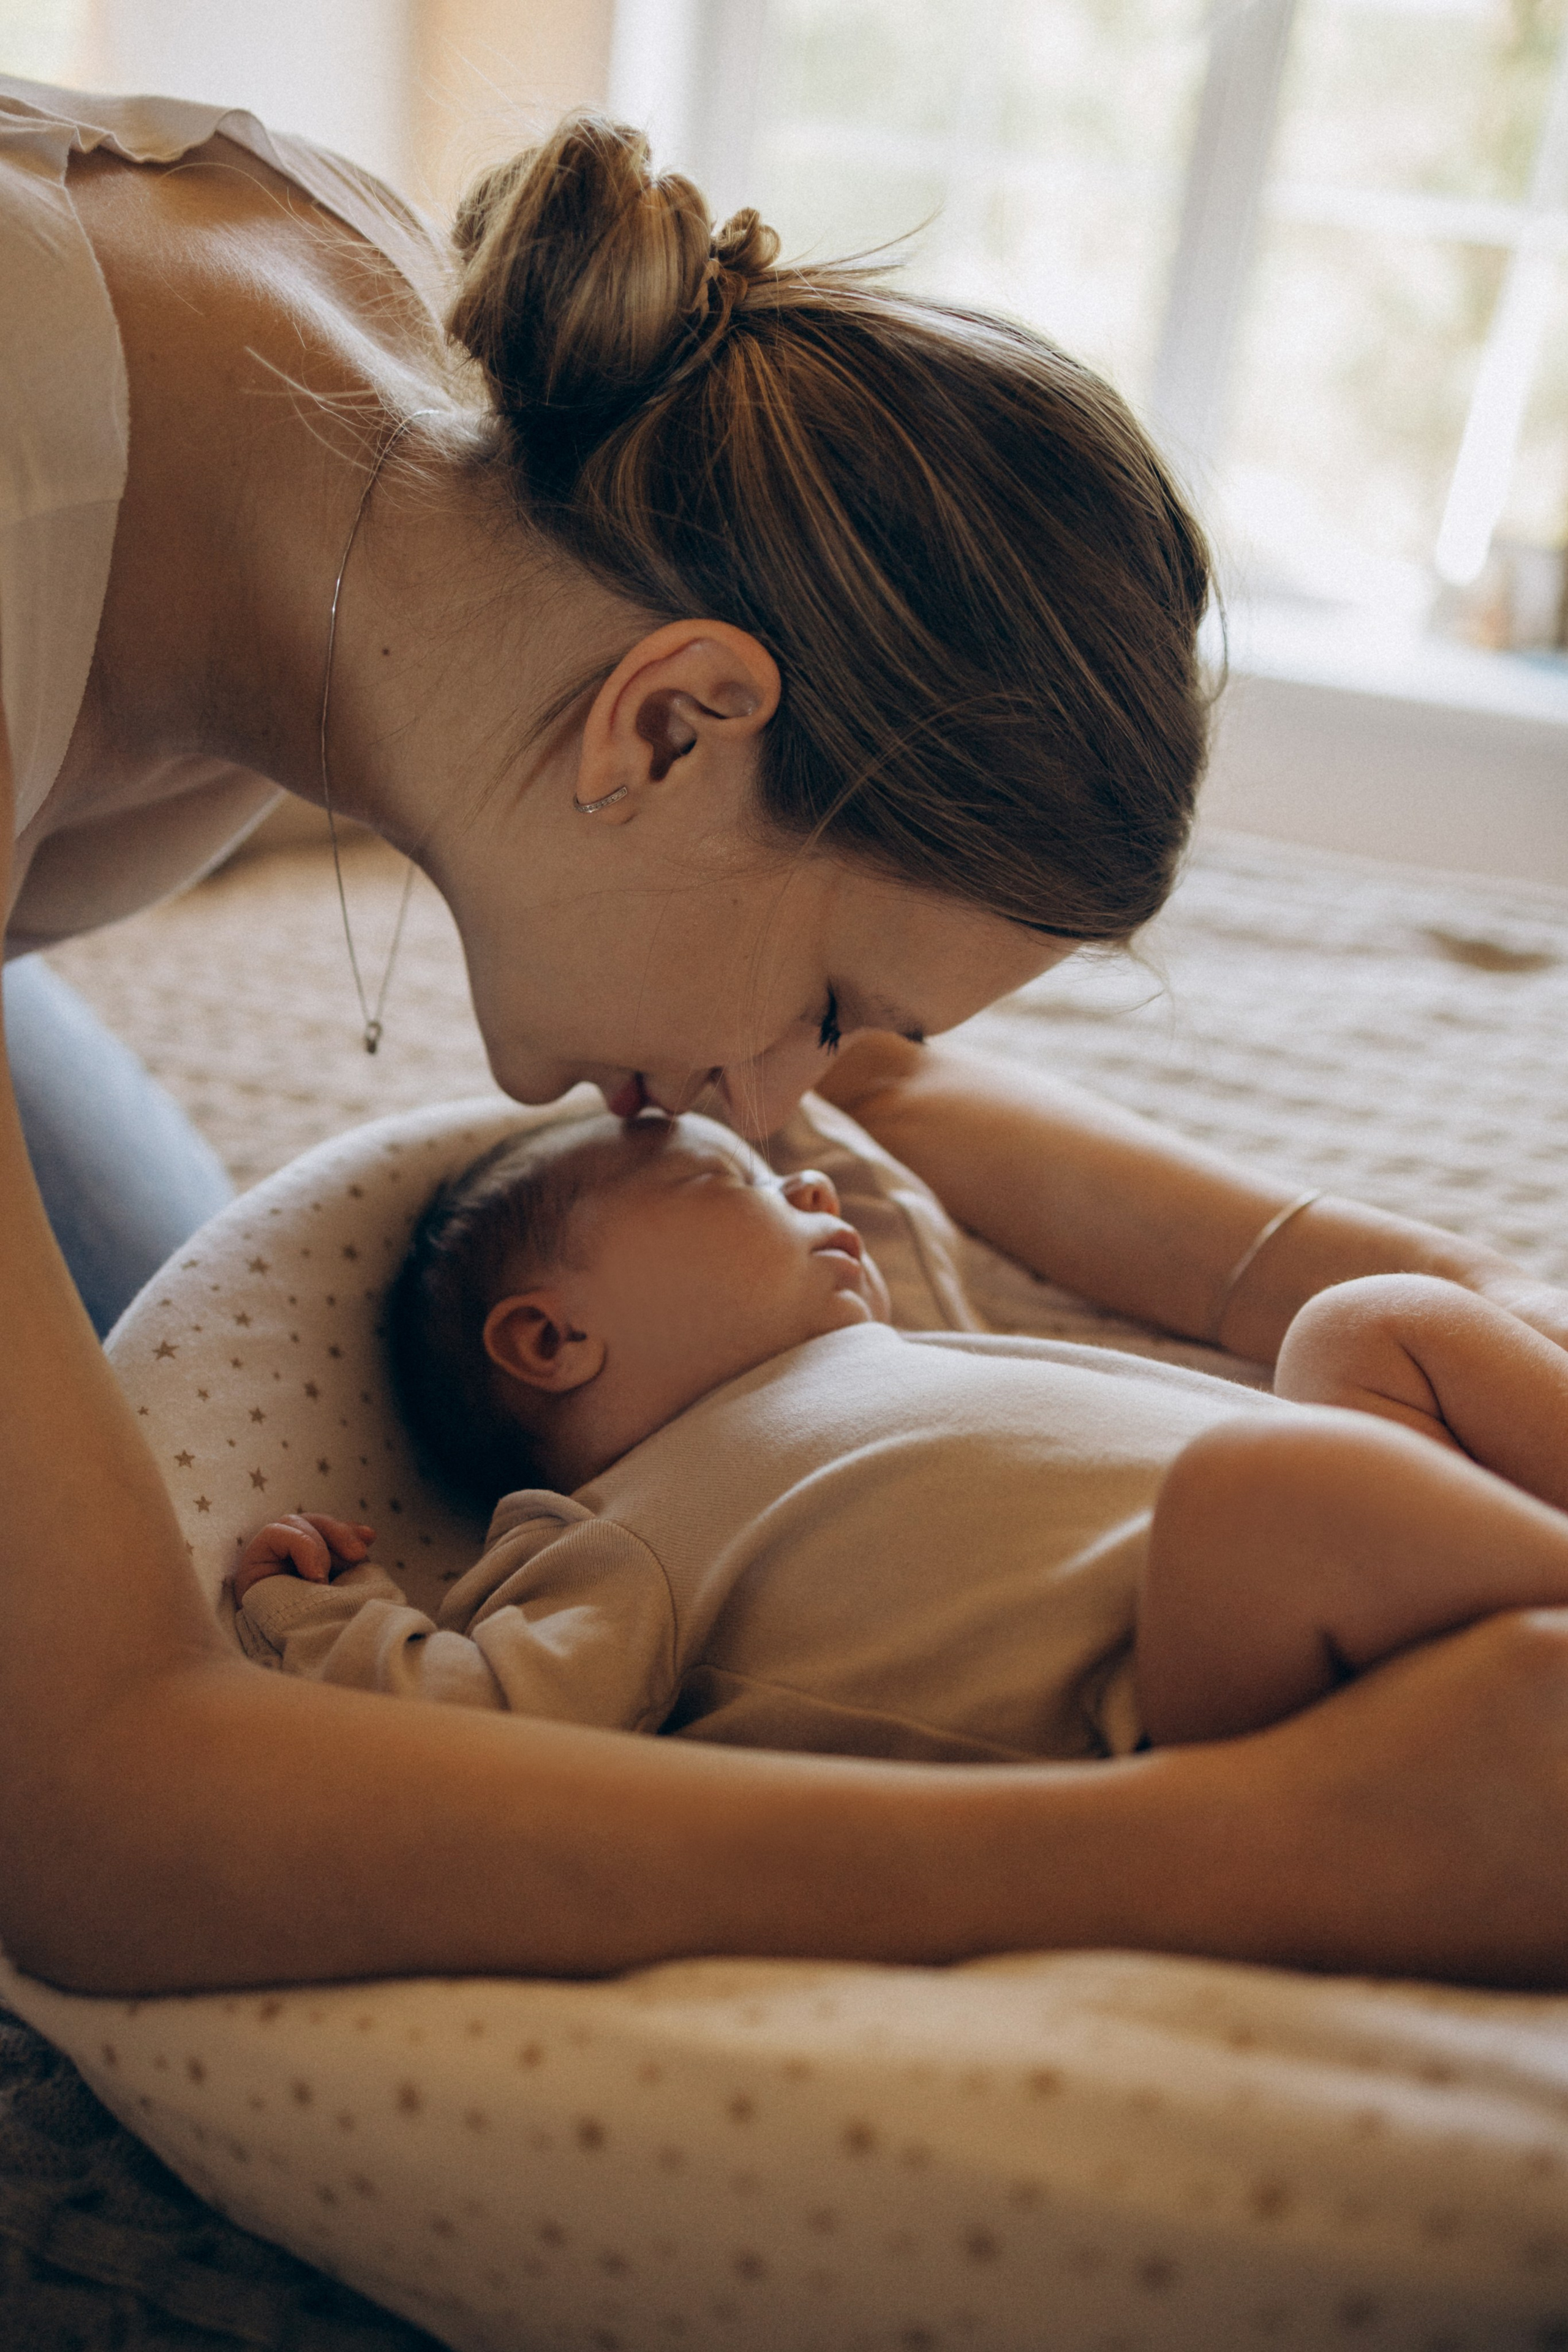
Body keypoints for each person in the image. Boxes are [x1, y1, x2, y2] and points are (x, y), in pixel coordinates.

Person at [4, 71, 1568, 2000]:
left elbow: (885, 1083)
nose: (793, 1110)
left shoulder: (472, 457)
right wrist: (1266, 1843)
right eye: (823, 1006)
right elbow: (98, 1820)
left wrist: (1383, 1276)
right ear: (671, 726)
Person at [228, 1112, 1568, 1763]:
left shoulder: (882, 1356)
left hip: (1345, 1559)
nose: (806, 1184)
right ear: (552, 1341)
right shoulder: (614, 1540)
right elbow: (478, 1731)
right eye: (727, 1180)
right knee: (1263, 1484)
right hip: (1209, 1705)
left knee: (1367, 1324)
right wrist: (327, 1617)